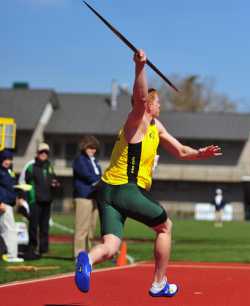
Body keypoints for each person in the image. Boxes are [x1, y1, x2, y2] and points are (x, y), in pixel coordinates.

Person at [74, 50, 222, 296]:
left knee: (110, 246)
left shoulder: (156, 126)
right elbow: (139, 98)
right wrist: (140, 67)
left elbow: (181, 151)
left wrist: (200, 153)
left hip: (107, 191)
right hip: (126, 189)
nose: (160, 105)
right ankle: (159, 283)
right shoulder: (137, 121)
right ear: (148, 105)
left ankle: (87, 260)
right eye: (157, 101)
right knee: (165, 227)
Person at [21, 143, 60, 257]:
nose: (44, 154)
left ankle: (44, 249)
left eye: (46, 153)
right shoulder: (31, 167)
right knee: (33, 226)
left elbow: (53, 179)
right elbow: (24, 184)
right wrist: (25, 199)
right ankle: (32, 248)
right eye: (41, 152)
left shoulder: (49, 166)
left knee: (45, 227)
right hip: (35, 201)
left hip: (47, 201)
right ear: (37, 153)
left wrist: (55, 184)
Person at [73, 136, 102, 258]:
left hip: (94, 196)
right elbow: (86, 175)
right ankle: (79, 254)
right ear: (84, 147)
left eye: (94, 148)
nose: (92, 150)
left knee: (91, 227)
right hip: (84, 196)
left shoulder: (94, 161)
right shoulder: (80, 160)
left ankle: (88, 253)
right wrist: (100, 182)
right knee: (82, 228)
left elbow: (97, 175)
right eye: (90, 147)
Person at [0, 149, 24, 262]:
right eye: (5, 159)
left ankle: (6, 253)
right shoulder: (1, 171)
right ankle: (11, 255)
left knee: (5, 229)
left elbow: (12, 186)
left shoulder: (9, 171)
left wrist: (19, 195)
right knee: (10, 229)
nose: (7, 161)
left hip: (8, 203)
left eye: (9, 159)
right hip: (3, 204)